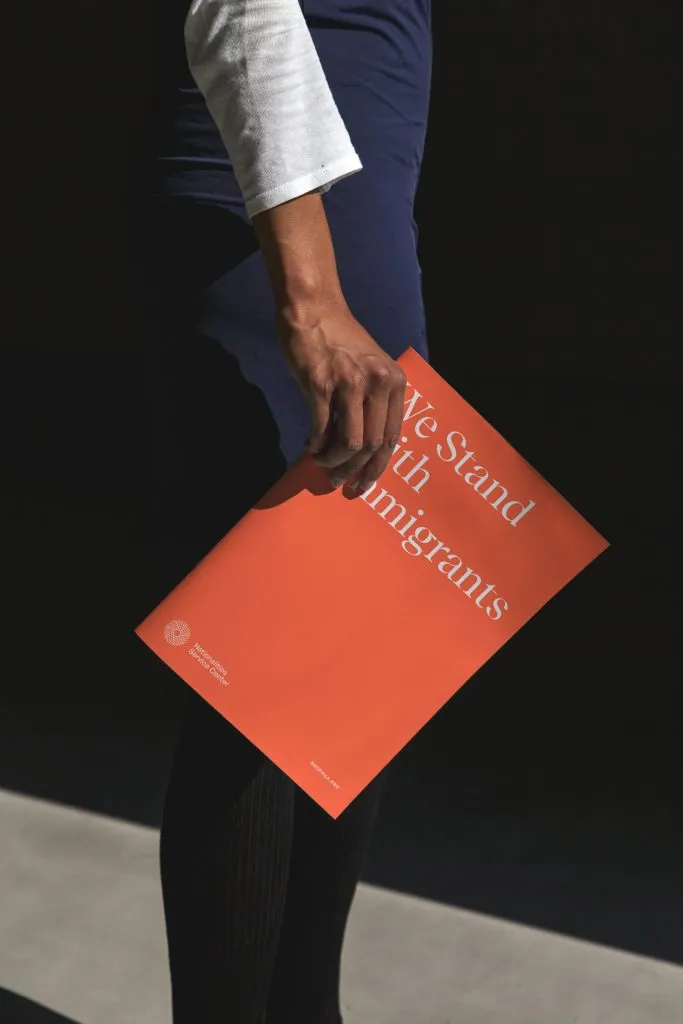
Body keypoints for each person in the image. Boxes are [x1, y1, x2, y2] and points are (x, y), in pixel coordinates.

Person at [126, 0, 432, 1020]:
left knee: (347, 668)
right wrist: (307, 295)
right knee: (261, 681)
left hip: (353, 200)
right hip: (282, 213)